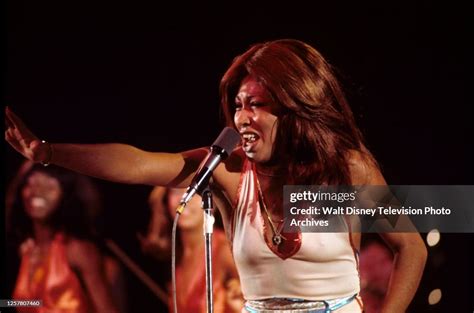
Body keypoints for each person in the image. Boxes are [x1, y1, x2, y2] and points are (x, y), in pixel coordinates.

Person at [5, 39, 427, 312]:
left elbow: (411, 248)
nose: (243, 116)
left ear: (295, 109)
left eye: (258, 104)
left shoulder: (345, 168)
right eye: (240, 104)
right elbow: (136, 164)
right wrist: (48, 153)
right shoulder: (227, 170)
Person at [6, 161, 123, 313]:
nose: (37, 192)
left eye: (48, 187)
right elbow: (35, 303)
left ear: (64, 195)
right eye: (31, 184)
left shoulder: (77, 250)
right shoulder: (27, 250)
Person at [138, 186, 243, 313]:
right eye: (176, 191)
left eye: (196, 192)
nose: (185, 199)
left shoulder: (225, 251)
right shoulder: (174, 256)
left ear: (214, 201)